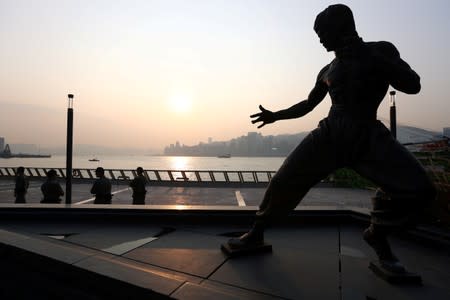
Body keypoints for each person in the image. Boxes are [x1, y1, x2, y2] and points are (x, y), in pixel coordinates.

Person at [226, 4, 436, 273]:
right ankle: (256, 233)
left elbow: (413, 85)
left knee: (420, 190)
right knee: (283, 181)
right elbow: (308, 104)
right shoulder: (328, 69)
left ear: (341, 27)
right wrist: (276, 116)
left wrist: (376, 59)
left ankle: (378, 234)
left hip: (367, 134)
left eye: (322, 32)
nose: (320, 39)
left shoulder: (381, 50)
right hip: (330, 134)